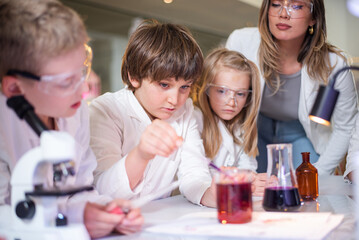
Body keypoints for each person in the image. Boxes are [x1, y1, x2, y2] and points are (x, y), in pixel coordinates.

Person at [0, 0, 143, 238]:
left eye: (82, 70)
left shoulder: (75, 112)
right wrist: (70, 220)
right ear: (15, 87)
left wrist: (101, 210)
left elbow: (78, 188)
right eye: (67, 82)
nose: (84, 88)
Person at [89, 19, 216, 207]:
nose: (175, 99)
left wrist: (213, 194)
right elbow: (103, 190)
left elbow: (194, 174)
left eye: (185, 87)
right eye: (164, 85)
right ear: (134, 76)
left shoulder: (185, 110)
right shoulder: (105, 110)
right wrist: (141, 154)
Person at [226, 0, 358, 174]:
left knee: (307, 191)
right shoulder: (241, 42)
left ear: (313, 18)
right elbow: (224, 107)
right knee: (256, 191)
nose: (283, 14)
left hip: (301, 133)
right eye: (275, 4)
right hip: (254, 129)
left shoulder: (334, 65)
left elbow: (345, 127)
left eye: (296, 6)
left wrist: (321, 171)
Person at [192, 48, 266, 196]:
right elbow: (197, 177)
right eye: (222, 91)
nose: (231, 102)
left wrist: (256, 181)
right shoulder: (195, 119)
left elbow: (248, 167)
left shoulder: (242, 124)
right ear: (205, 87)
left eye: (240, 94)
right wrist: (242, 178)